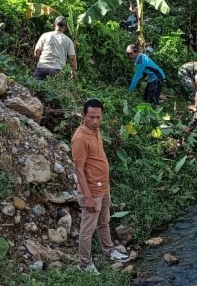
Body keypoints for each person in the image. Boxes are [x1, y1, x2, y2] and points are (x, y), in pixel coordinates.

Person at [71, 98, 130, 274]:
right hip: (92, 191)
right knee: (87, 229)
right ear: (84, 115)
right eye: (91, 117)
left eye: (98, 117)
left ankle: (109, 251)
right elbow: (79, 170)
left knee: (104, 222)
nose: (95, 121)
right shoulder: (80, 138)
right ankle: (84, 264)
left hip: (103, 187)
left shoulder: (95, 131)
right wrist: (88, 196)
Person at [32, 16, 77, 80]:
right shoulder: (68, 40)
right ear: (65, 27)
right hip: (56, 70)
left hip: (41, 68)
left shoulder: (45, 35)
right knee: (55, 89)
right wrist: (74, 70)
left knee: (35, 88)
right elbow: (72, 58)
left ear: (54, 25)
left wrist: (40, 62)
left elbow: (36, 51)